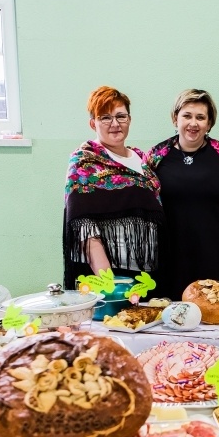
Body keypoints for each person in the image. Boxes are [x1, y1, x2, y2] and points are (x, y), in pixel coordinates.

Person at [147, 89, 219, 299]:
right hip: (172, 256)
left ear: (209, 123)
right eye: (187, 116)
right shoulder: (156, 156)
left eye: (200, 117)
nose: (193, 123)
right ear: (175, 118)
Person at [63, 86, 164, 289]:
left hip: (147, 273)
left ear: (130, 120)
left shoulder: (142, 158)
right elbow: (85, 227)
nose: (115, 124)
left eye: (121, 116)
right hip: (111, 275)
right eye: (106, 118)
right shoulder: (84, 160)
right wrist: (109, 283)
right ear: (93, 123)